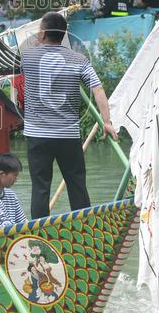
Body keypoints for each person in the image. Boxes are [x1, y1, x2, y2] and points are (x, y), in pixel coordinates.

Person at [19, 11, 116, 218]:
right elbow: (98, 89)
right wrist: (106, 121)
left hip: (38, 135)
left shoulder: (26, 56)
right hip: (68, 135)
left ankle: (40, 232)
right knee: (76, 184)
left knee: (40, 187)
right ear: (63, 35)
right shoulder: (79, 59)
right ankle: (83, 229)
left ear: (42, 33)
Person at [0, 153, 29, 225]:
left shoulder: (11, 195)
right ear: (2, 174)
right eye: (15, 175)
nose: (16, 179)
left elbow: (24, 223)